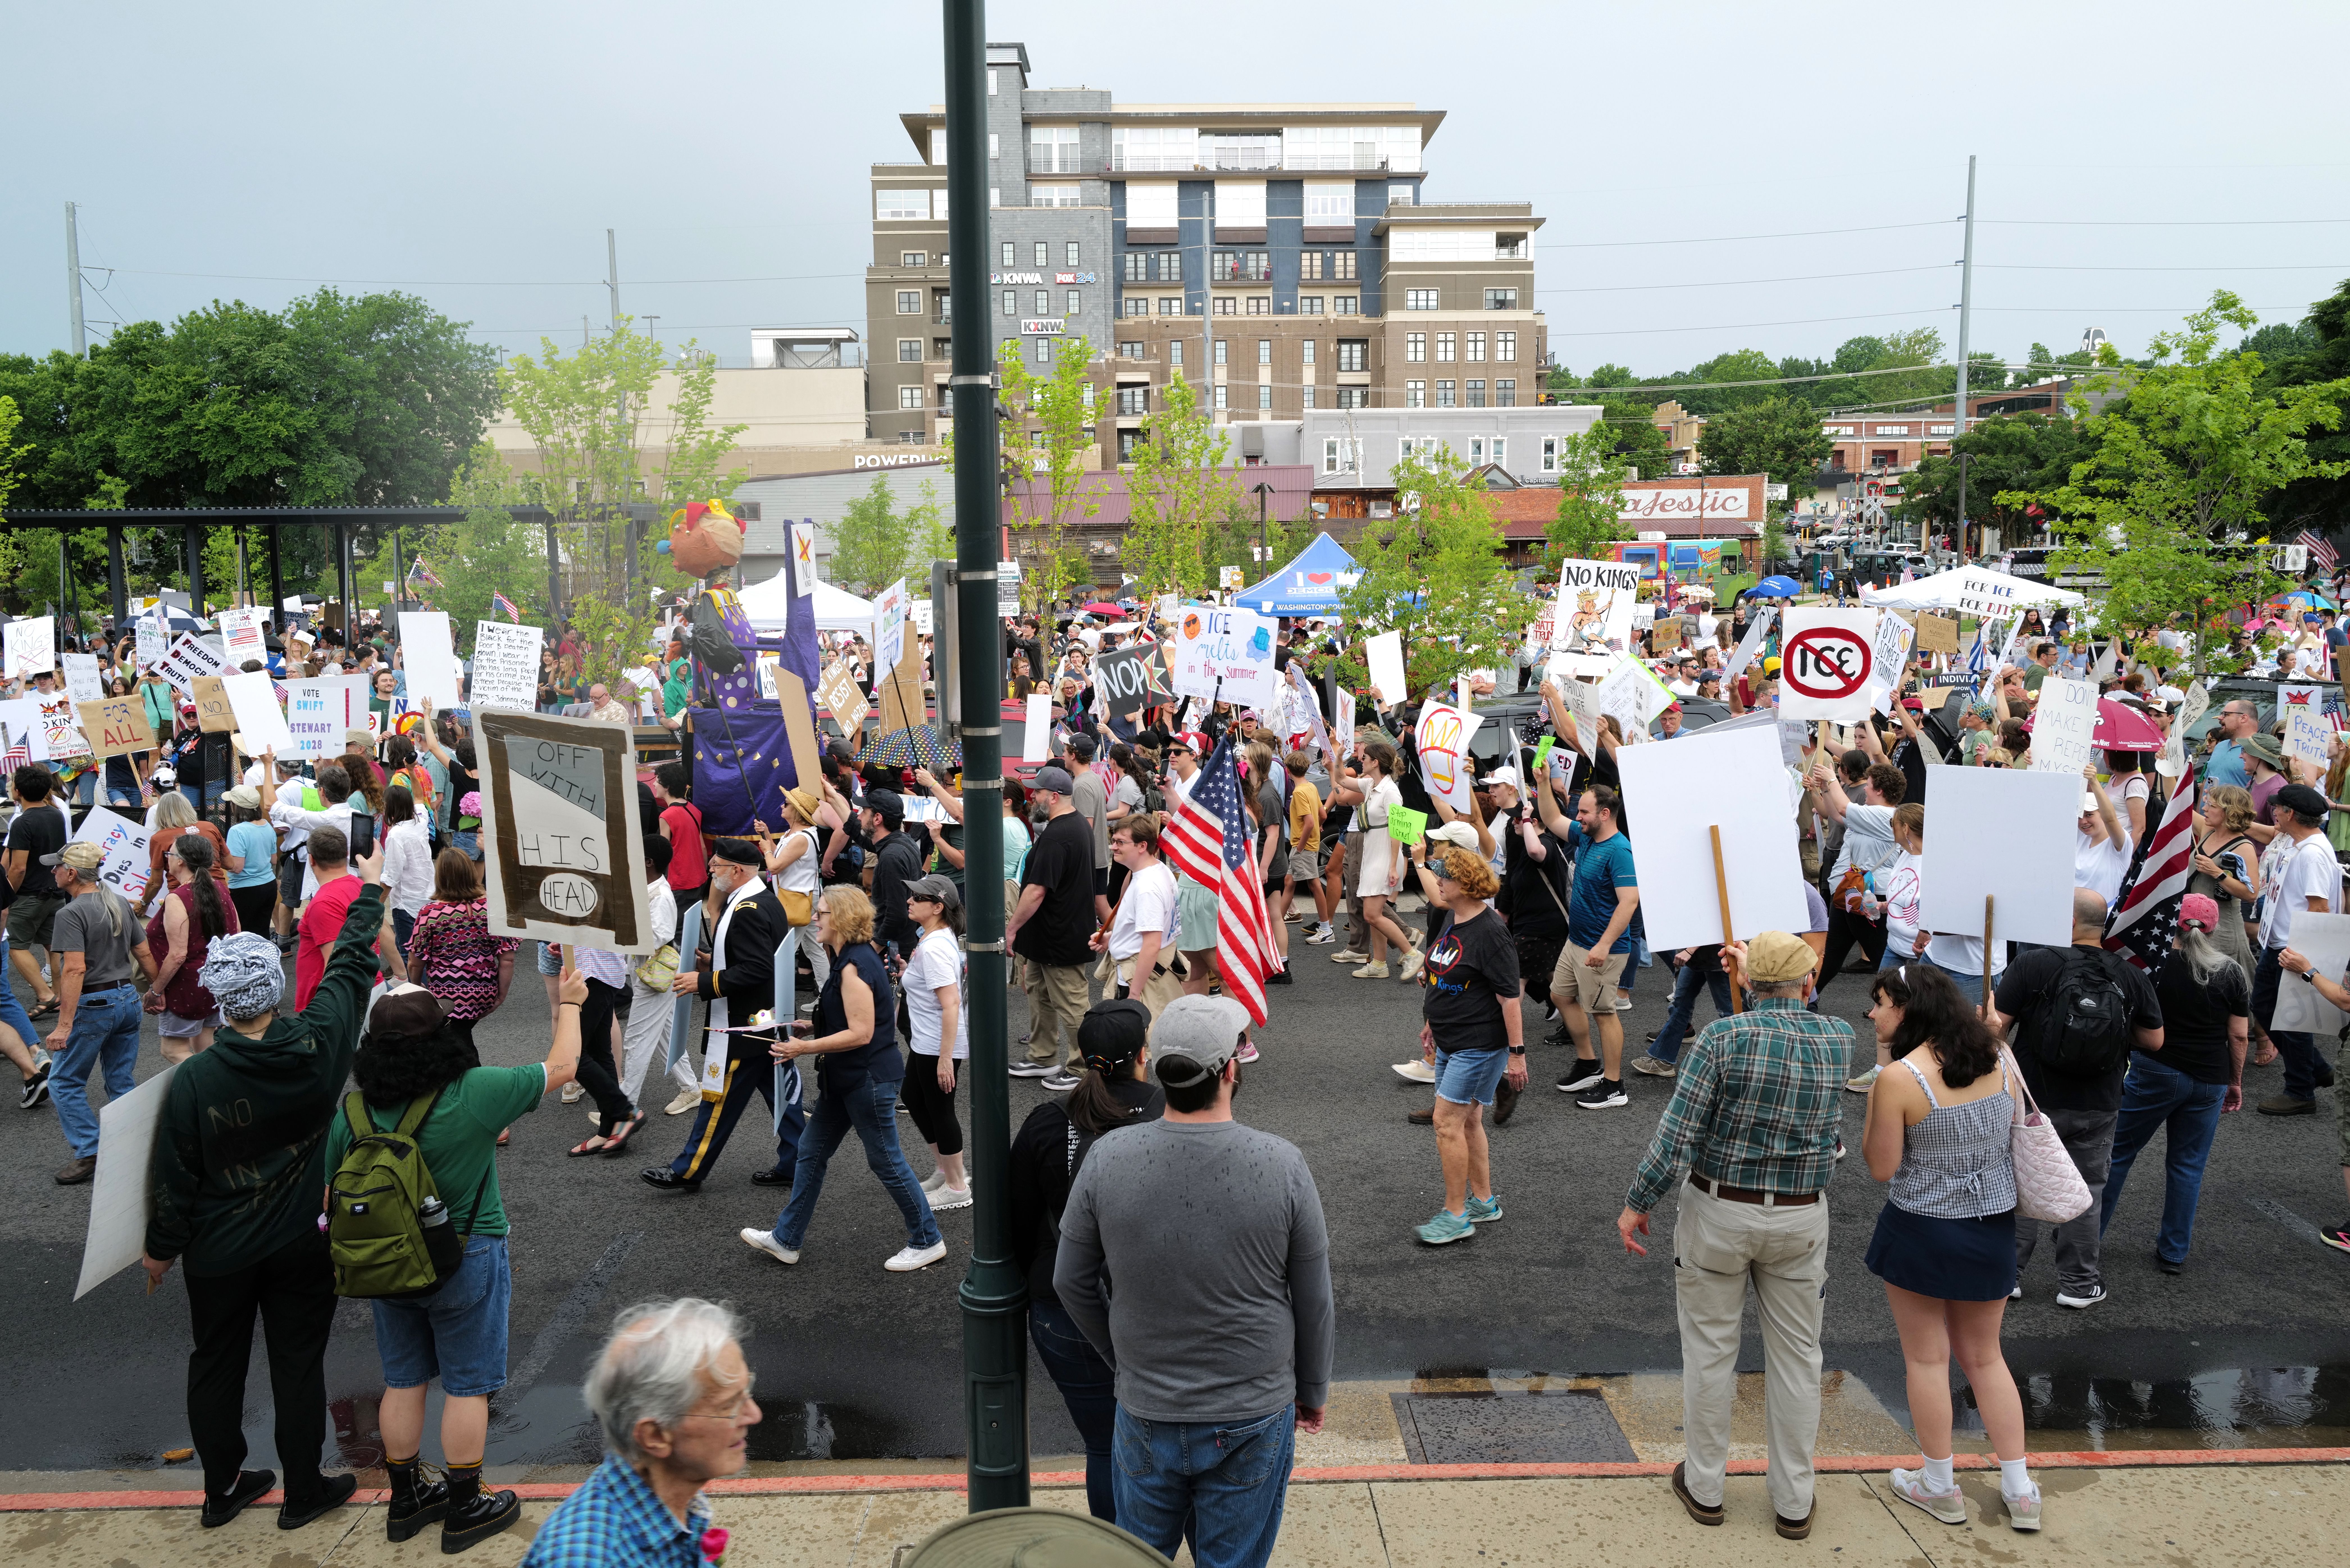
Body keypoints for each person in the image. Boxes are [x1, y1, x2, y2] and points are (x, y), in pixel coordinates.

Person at [139, 850, 391, 1533]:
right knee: (298, 1361)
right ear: (275, 989)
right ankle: (304, 1484)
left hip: (217, 1249)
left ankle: (223, 1486)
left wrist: (160, 1248)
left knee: (215, 1361)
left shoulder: (195, 1081)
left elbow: (173, 1173)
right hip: (300, 1241)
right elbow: (345, 969)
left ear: (219, 998)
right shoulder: (317, 1046)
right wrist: (370, 892)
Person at [1054, 995, 1333, 1568]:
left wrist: (1119, 1357)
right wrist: (1312, 1389)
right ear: (1230, 1069)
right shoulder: (1281, 1163)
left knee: (1139, 1555)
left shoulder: (1107, 1157)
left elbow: (1070, 1280)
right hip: (1252, 1402)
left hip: (1146, 1402)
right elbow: (1314, 1298)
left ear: (1157, 1067)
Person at [328, 974, 584, 1553]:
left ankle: (405, 1496)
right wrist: (570, 1001)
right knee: (468, 1385)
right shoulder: (475, 1091)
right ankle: (466, 1501)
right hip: (466, 1253)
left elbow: (331, 1196)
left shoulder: (353, 1112)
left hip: (385, 1263)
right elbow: (564, 1065)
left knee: (402, 1379)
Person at [1618, 931, 1847, 1540]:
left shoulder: (1723, 1037)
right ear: (1805, 983)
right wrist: (1760, 976)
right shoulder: (1838, 1038)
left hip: (1720, 1208)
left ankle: (1705, 1484)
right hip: (1800, 1212)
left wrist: (1638, 1200)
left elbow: (1677, 1131)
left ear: (1748, 984)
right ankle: (1793, 1499)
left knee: (1710, 1351)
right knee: (1798, 1358)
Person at [1859, 964, 2042, 1533]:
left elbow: (1881, 1166)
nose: (1872, 1012)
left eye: (1881, 1002)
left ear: (1908, 1010)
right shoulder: (1996, 1057)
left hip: (1922, 1224)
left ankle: (1938, 1484)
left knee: (1927, 1358)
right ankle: (2019, 1488)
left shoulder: (1899, 1077)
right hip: (1990, 1223)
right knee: (1986, 1356)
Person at [1007, 999, 1163, 1521]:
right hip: (1160, 1310)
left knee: (1103, 1446)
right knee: (1170, 1441)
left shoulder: (1048, 1121)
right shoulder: (1174, 1109)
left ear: (1082, 1053)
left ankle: (1117, 1550)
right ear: (1143, 1054)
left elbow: (1017, 1223)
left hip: (1065, 1311)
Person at [737, 885, 944, 1272]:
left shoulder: (853, 967)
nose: (815, 918)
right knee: (811, 1154)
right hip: (849, 1079)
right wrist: (811, 1025)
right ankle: (787, 1239)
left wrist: (805, 1048)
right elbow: (853, 1023)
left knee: (887, 1162)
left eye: (822, 913)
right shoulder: (850, 959)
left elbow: (862, 1033)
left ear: (843, 919)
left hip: (865, 1079)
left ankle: (928, 1240)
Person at [1988, 890, 2165, 1309]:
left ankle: (2006, 1276)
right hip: (2099, 1103)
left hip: (2034, 1098)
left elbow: (1996, 1028)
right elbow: (2154, 1040)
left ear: (2067, 920)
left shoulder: (2034, 965)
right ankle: (2079, 1285)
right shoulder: (2130, 974)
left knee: (2025, 1181)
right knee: (2086, 1192)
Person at [519, 1300, 763, 1568]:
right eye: (729, 1405)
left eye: (746, 1393)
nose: (754, 1415)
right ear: (655, 1437)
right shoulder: (587, 1561)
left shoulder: (672, 1496)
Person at [2102, 895, 2249, 1273]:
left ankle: (2088, 1235)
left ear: (2172, 923)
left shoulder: (2153, 968)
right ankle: (2173, 1252)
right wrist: (2235, 1082)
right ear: (2214, 928)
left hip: (2157, 1071)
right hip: (2210, 1080)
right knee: (2187, 1166)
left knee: (2118, 1154)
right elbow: (2239, 1037)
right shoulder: (2232, 972)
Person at [645, 839, 802, 1193]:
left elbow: (757, 968)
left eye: (716, 866)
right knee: (782, 1097)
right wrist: (712, 963)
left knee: (718, 1097)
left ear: (737, 870)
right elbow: (756, 960)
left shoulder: (746, 908)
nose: (711, 871)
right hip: (765, 1019)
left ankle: (688, 1170)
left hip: (743, 1024)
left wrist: (705, 981)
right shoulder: (763, 899)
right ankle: (797, 1161)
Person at [1409, 847, 1526, 1246]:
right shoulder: (1452, 918)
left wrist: (1516, 1054)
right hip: (1451, 1040)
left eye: (1444, 876)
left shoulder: (1492, 934)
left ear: (1466, 885)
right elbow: (1443, 972)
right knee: (1469, 1121)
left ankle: (1457, 1215)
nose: (1438, 881)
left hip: (1478, 1045)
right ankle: (1483, 1202)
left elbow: (1510, 998)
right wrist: (1432, 1021)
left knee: (1446, 1123)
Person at [41, 841, 160, 1184]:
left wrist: (64, 1026)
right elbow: (144, 953)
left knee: (64, 1081)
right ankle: (132, 1146)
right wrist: (155, 992)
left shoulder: (71, 913)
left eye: (58, 866)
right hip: (126, 999)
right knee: (120, 1079)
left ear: (73, 873)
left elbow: (75, 970)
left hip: (96, 1005)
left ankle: (90, 1151)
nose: (54, 871)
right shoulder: (119, 903)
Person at [1532, 777, 1640, 1110]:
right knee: (1560, 995)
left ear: (1605, 814)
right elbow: (1551, 819)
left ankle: (1613, 1085)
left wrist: (1604, 945)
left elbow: (1629, 902)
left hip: (1601, 949)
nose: (1578, 817)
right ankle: (1588, 1063)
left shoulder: (1620, 851)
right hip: (1577, 941)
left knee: (1603, 1014)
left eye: (1584, 812)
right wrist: (1542, 785)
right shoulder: (1587, 835)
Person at [2250, 783, 2343, 1116]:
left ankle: (2300, 1089)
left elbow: (2318, 909)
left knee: (2289, 1021)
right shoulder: (2300, 844)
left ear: (2290, 814)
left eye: (2277, 808)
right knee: (2263, 1006)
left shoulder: (2313, 853)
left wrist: (2301, 958)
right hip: (2278, 944)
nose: (2273, 812)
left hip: (2291, 950)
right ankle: (2316, 1069)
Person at [1009, 765, 1097, 1089]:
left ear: (1054, 797)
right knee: (1039, 995)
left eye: (1038, 792)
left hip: (1061, 935)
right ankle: (1043, 1057)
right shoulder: (1070, 825)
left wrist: (1011, 929)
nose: (1032, 797)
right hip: (1048, 935)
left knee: (1073, 1006)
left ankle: (1085, 1068)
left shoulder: (1060, 833)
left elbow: (1036, 890)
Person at [405, 849, 517, 1064]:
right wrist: (501, 995)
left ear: (440, 877)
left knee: (456, 1045)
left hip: (446, 995)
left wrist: (419, 992)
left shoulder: (430, 914)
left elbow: (414, 963)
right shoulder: (492, 909)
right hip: (484, 990)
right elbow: (507, 959)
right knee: (459, 1038)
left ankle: (469, 1085)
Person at [900, 874, 971, 1209]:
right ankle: (946, 1169)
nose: (910, 901)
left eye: (918, 897)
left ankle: (957, 1186)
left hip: (937, 1044)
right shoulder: (934, 938)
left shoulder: (935, 948)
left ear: (938, 907)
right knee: (913, 1096)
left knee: (940, 1109)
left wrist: (946, 1057)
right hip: (927, 1040)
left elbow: (951, 1003)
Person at [618, 836, 698, 1118]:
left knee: (637, 1039)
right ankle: (691, 1088)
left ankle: (624, 1107)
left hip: (654, 978)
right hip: (650, 974)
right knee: (666, 1035)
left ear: (649, 862)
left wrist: (620, 934)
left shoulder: (661, 895)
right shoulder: (648, 888)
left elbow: (658, 937)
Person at [143, 833, 239, 1064]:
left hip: (186, 986)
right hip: (214, 981)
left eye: (170, 854)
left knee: (174, 1050)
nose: (167, 858)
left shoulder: (179, 898)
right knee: (204, 1044)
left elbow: (177, 955)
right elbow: (236, 933)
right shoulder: (220, 888)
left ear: (181, 861)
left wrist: (156, 991)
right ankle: (216, 1088)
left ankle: (211, 1088)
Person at [292, 826, 405, 1012]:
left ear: (311, 859)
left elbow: (338, 967)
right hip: (366, 985)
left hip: (333, 1002)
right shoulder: (360, 885)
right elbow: (383, 929)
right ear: (346, 854)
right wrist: (401, 974)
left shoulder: (324, 903)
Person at [1092, 812, 1183, 1019]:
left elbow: (1151, 945)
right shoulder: (1158, 870)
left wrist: (1134, 994)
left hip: (1140, 979)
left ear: (1142, 846)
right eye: (1113, 841)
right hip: (1149, 971)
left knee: (1141, 1044)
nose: (1113, 847)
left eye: (1120, 842)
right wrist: (1112, 938)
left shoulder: (1147, 889)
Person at [5, 764, 70, 1017]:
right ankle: (60, 993)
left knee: (15, 945)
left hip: (29, 895)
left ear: (18, 791)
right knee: (55, 945)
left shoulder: (22, 822)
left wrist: (7, 896)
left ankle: (45, 994)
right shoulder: (55, 814)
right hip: (54, 891)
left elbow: (18, 868)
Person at [2188, 784, 2261, 981]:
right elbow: (2178, 803)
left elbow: (2251, 893)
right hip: (2196, 923)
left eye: (2211, 806)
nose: (2204, 809)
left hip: (2223, 928)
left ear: (2229, 812)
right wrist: (2169, 769)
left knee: (2224, 982)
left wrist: (2218, 873)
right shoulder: (2208, 830)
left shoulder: (2244, 847)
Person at [221, 783, 279, 938]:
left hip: (245, 889)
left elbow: (237, 867)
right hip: (269, 885)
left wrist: (218, 861)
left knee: (244, 935)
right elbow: (274, 860)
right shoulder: (268, 826)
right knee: (262, 932)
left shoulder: (237, 831)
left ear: (237, 807)